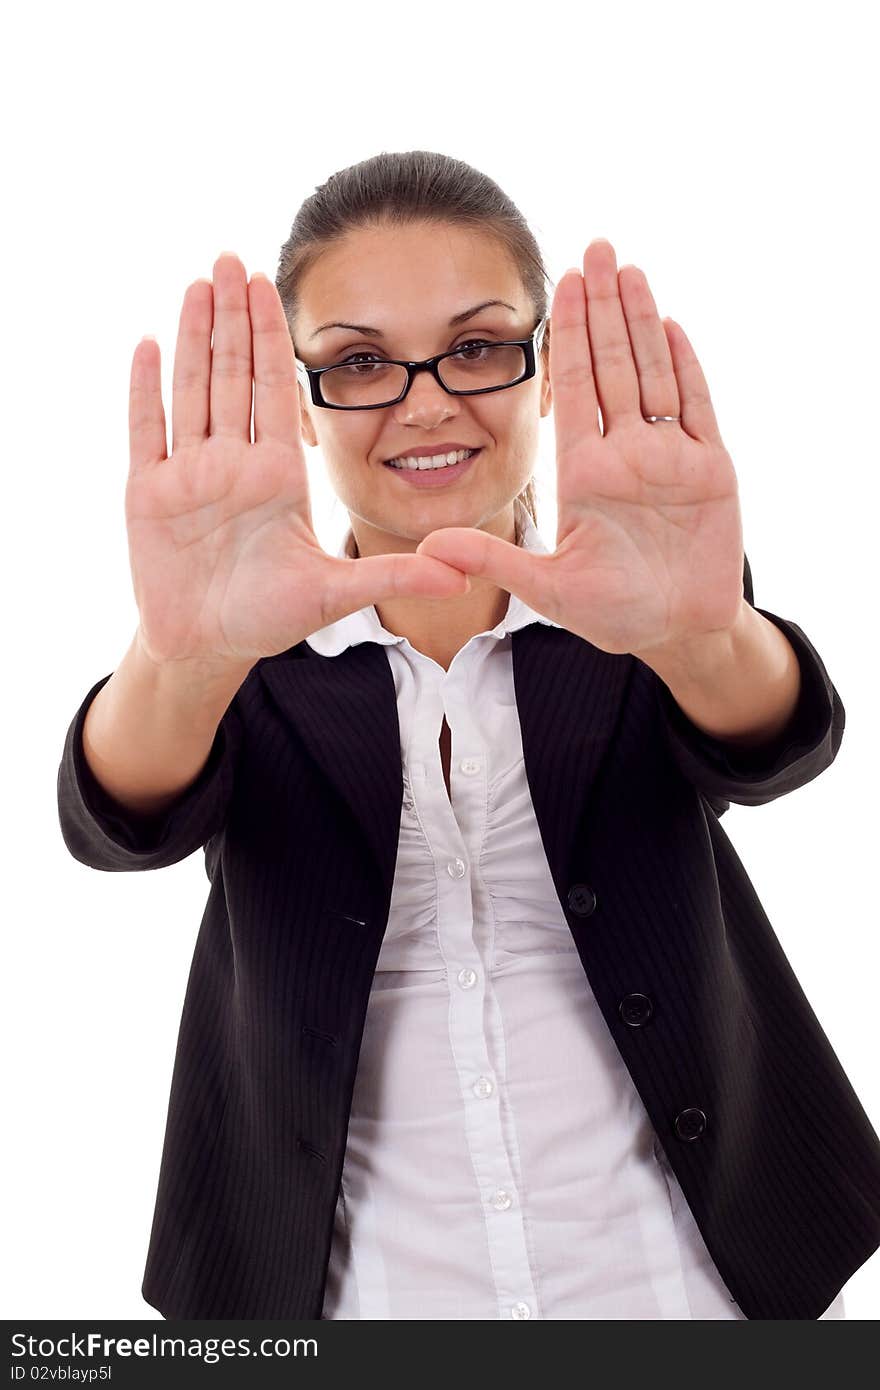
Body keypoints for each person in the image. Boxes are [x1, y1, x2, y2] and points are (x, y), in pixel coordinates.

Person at [57, 150, 880, 1320]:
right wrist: (184, 662)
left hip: (692, 1281)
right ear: (300, 402)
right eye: (357, 361)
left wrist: (702, 633)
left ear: (544, 369)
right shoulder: (239, 646)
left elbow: (778, 743)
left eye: (478, 345)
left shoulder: (630, 593)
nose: (426, 400)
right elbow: (118, 821)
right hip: (363, 1297)